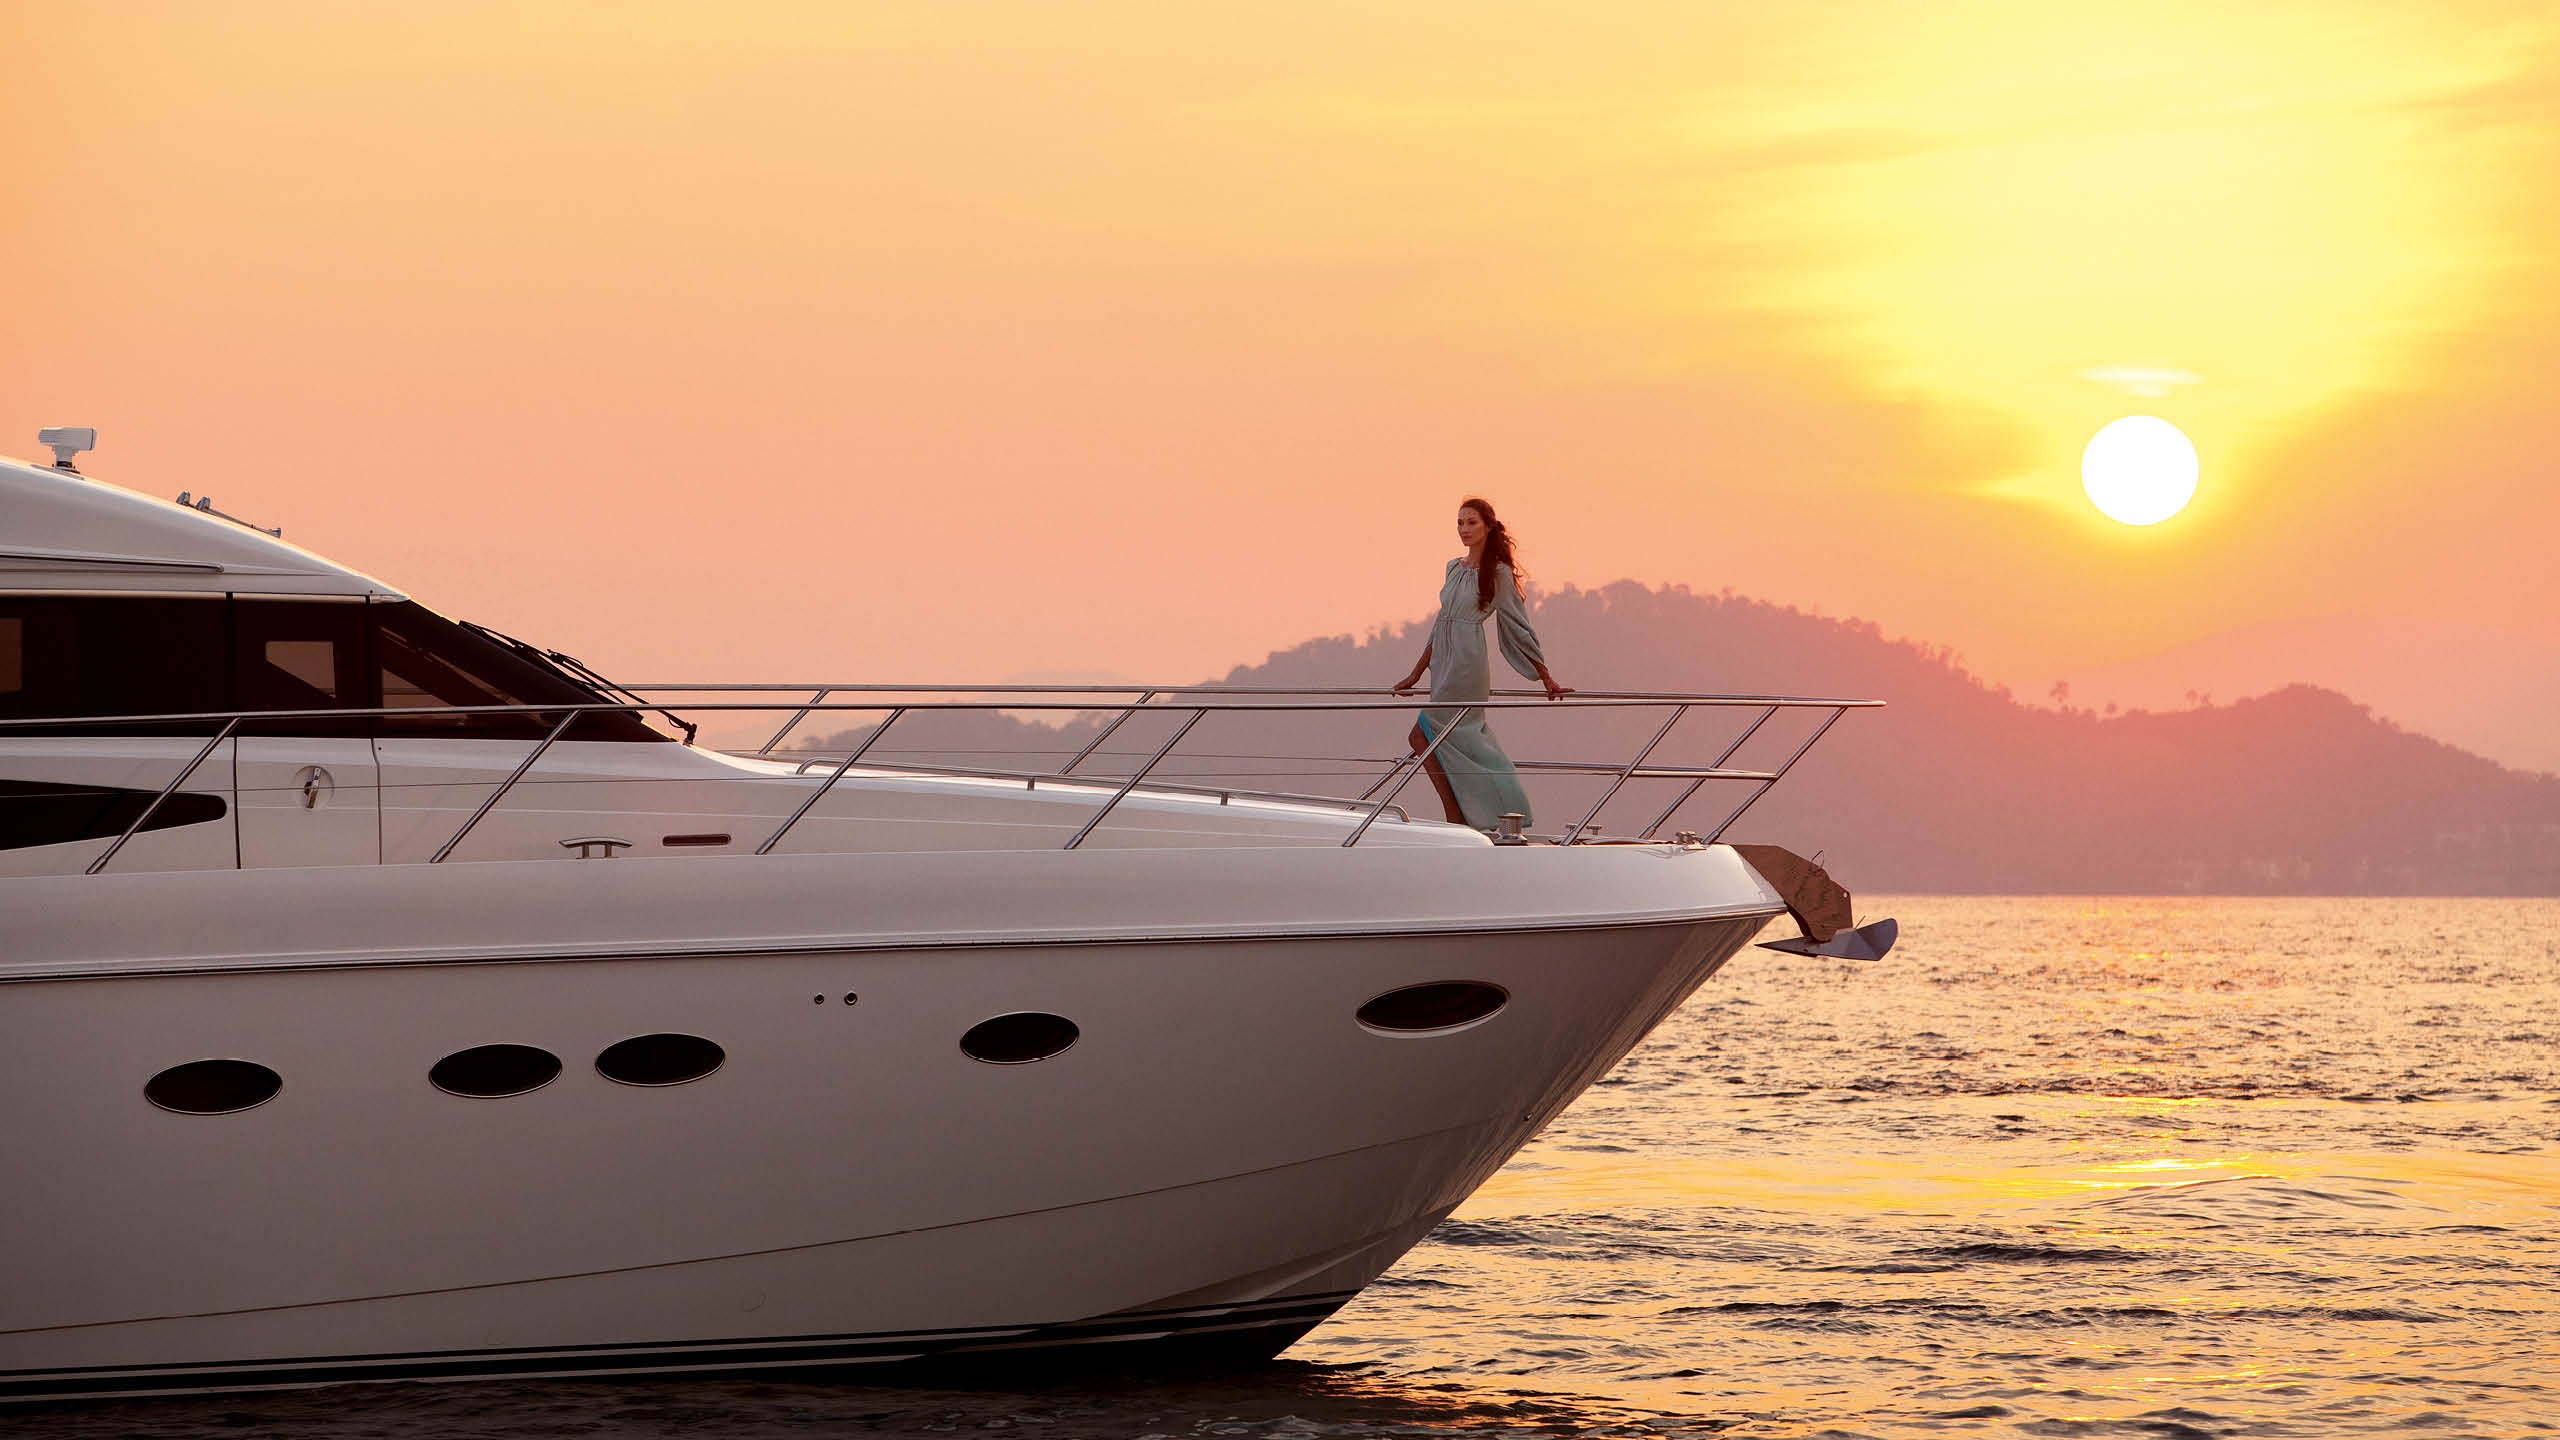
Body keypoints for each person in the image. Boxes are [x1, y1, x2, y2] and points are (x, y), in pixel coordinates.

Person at [1391, 498, 1571, 830]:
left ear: (1488, 525)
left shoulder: (1498, 573)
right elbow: (1441, 622)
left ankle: (1457, 814)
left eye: (1471, 523)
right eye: (1459, 523)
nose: (1464, 530)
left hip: (1467, 662)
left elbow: (1517, 623)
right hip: (1443, 661)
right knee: (1447, 739)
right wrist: (1415, 673)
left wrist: (1546, 677)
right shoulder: (1453, 567)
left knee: (1423, 735)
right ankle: (1468, 812)